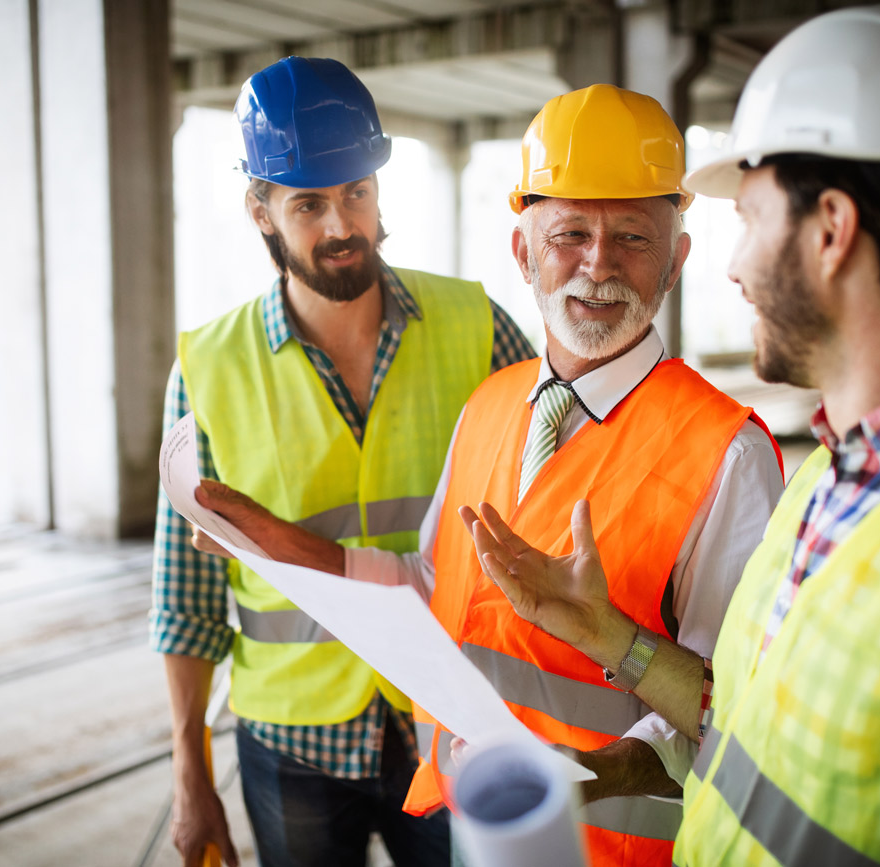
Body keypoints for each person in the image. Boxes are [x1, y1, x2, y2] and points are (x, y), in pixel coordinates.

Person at [464, 5, 880, 866]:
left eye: (748, 218)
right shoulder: (831, 474)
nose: (730, 265)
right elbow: (743, 721)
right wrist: (611, 636)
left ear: (831, 230)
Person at [191, 83, 785, 866]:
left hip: (610, 848)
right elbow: (431, 581)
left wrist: (586, 775)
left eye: (633, 238)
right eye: (569, 232)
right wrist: (285, 548)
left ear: (676, 259)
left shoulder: (726, 452)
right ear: (523, 251)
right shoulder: (492, 406)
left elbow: (731, 706)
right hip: (475, 829)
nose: (597, 264)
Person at [150, 56, 535, 867]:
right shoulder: (209, 367)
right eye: (309, 203)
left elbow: (549, 501)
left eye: (356, 192)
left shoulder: (478, 327)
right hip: (293, 744)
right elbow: (184, 604)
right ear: (260, 209)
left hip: (451, 716)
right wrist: (192, 775)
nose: (340, 225)